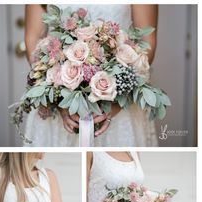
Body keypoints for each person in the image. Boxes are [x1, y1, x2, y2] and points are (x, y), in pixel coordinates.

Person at [24, 4, 158, 147]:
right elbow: (33, 38)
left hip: (120, 106)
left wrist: (116, 99)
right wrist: (59, 99)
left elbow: (147, 41)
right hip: (59, 110)